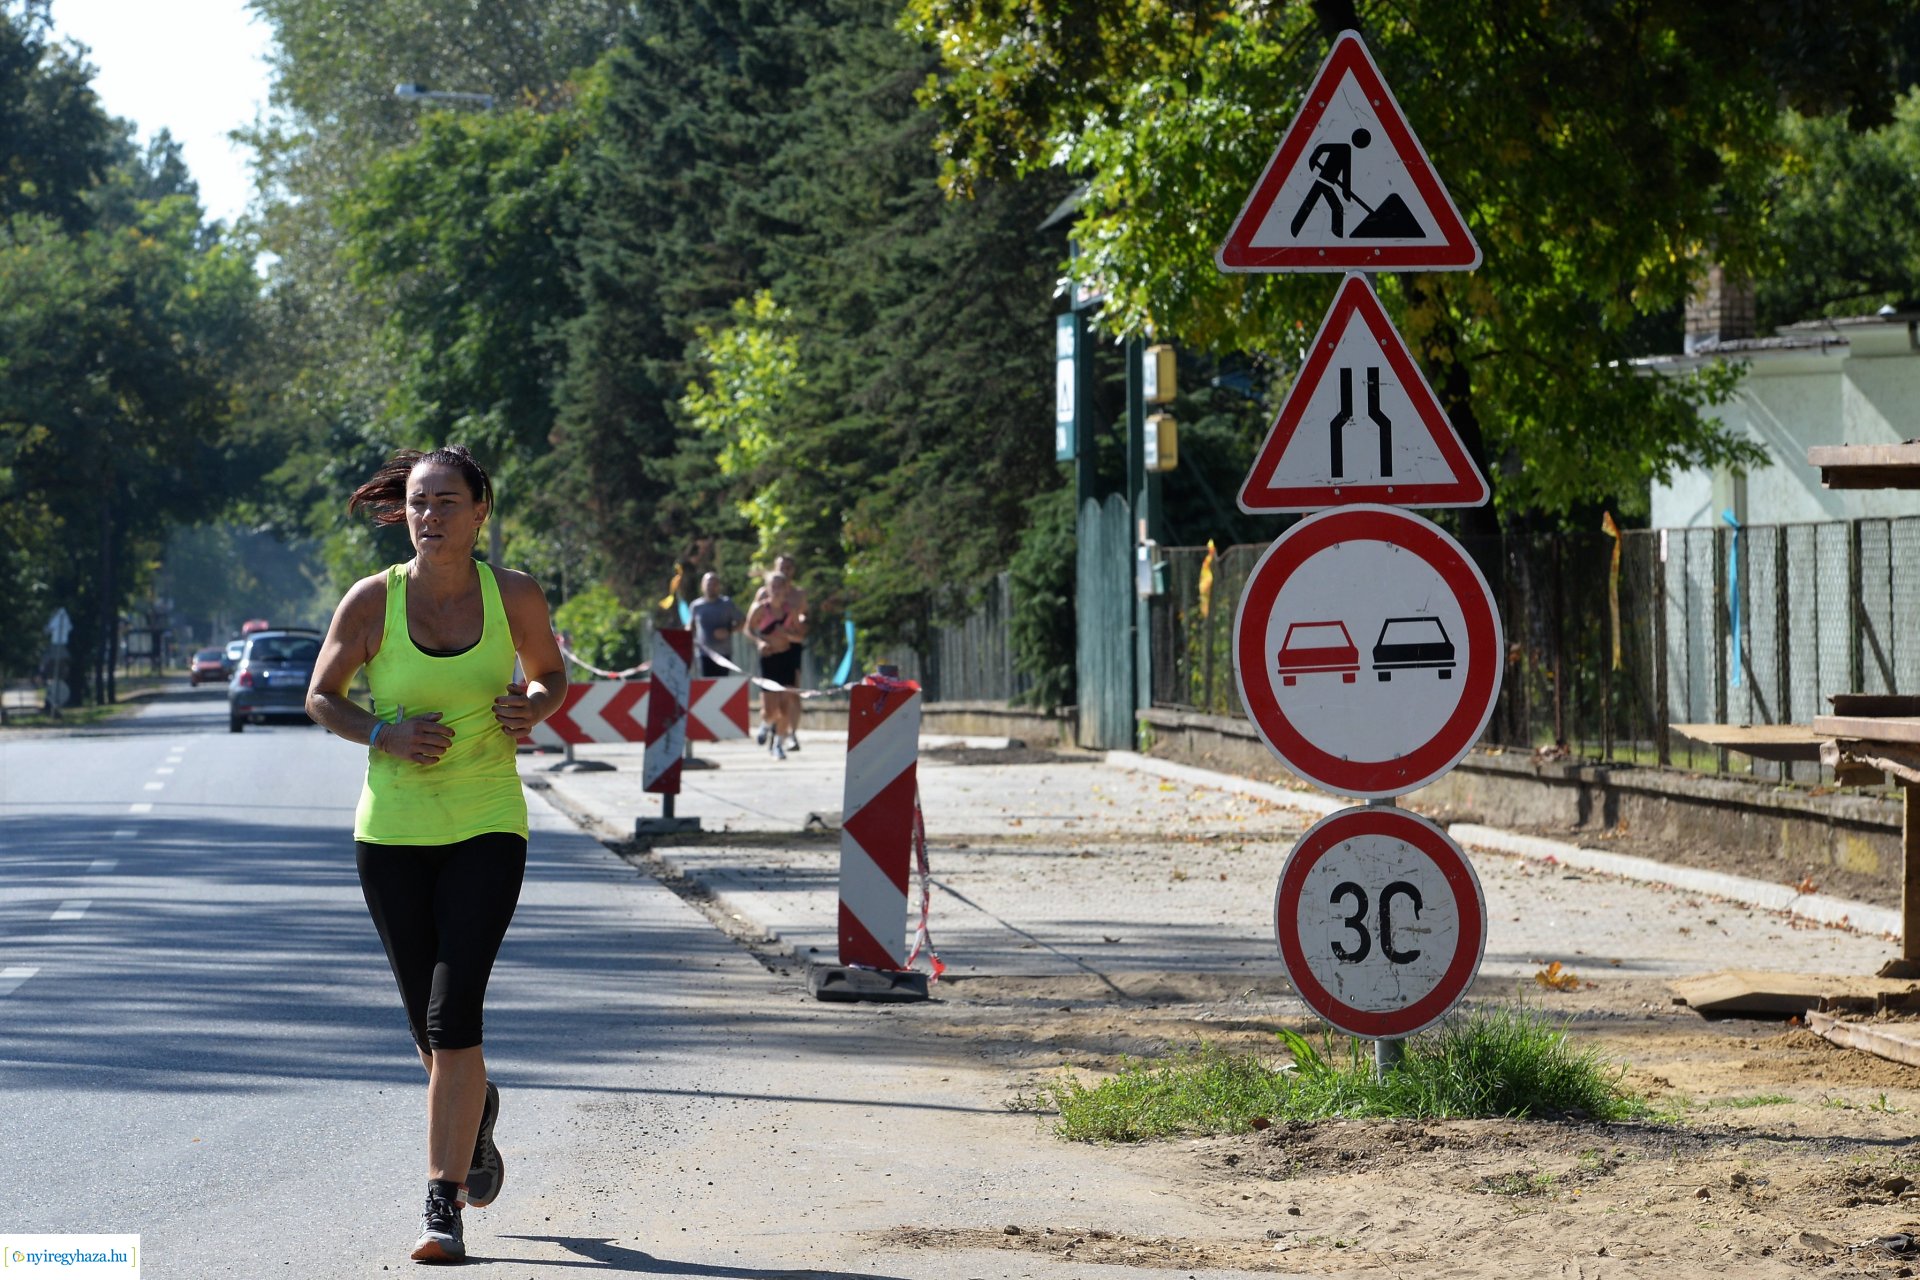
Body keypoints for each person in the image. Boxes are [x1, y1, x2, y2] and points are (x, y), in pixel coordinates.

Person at [306, 445, 567, 1265]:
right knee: (430, 1034)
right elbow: (322, 696)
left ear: (480, 511)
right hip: (392, 835)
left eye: (447, 502)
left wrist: (532, 705)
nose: (429, 516)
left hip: (488, 822)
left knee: (456, 1020)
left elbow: (550, 675)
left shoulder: (514, 595)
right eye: (419, 503)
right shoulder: (372, 600)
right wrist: (382, 732)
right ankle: (476, 1108)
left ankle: (440, 1205)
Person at [751, 555, 809, 752]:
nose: (785, 570)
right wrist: (760, 641)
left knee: (791, 694)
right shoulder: (762, 595)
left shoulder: (798, 595)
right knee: (771, 703)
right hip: (769, 651)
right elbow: (753, 624)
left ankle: (787, 737)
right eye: (781, 566)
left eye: (789, 567)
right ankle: (769, 725)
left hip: (791, 650)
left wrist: (793, 630)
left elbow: (804, 623)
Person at [688, 572, 744, 678]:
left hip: (723, 654)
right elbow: (691, 627)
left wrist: (729, 631)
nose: (711, 587)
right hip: (704, 654)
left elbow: (742, 621)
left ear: (719, 587)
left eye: (714, 584)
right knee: (706, 684)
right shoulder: (696, 606)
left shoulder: (727, 604)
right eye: (708, 584)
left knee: (723, 684)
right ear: (702, 586)